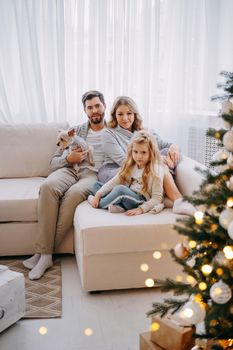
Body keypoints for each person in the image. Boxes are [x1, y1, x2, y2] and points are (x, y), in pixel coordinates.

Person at [23, 90, 106, 280]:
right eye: (90, 107)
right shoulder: (73, 132)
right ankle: (44, 255)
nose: (94, 111)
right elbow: (53, 163)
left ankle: (44, 254)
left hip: (91, 175)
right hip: (68, 169)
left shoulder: (114, 131)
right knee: (47, 187)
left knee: (74, 194)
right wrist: (69, 158)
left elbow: (148, 136)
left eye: (97, 106)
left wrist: (172, 147)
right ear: (85, 111)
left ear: (104, 106)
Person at [97, 96, 195, 215]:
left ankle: (164, 197)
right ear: (114, 115)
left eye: (129, 113)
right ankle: (179, 201)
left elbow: (166, 144)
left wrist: (174, 147)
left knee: (164, 152)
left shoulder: (144, 132)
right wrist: (157, 161)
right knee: (160, 165)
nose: (125, 118)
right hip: (115, 170)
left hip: (140, 168)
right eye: (120, 114)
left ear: (135, 114)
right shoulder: (108, 133)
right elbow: (126, 162)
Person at [88, 131, 165, 215]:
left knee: (119, 189)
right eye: (135, 152)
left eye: (143, 152)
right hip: (127, 194)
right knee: (95, 185)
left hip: (140, 199)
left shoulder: (155, 170)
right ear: (131, 151)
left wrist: (141, 209)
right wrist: (98, 194)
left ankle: (98, 203)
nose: (139, 156)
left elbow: (157, 198)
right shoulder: (131, 165)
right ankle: (118, 206)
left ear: (151, 153)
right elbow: (115, 180)